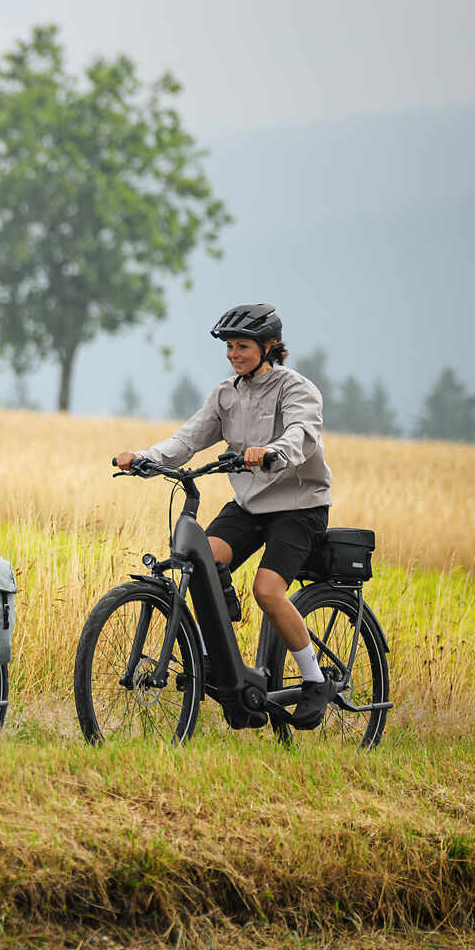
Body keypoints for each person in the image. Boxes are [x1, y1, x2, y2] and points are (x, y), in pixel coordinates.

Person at [111, 303, 340, 725]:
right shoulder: (225, 394)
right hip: (250, 505)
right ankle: (221, 661)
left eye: (244, 346)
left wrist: (272, 453)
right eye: (230, 347)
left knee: (268, 591)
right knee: (201, 563)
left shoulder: (297, 389)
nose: (235, 353)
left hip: (298, 506)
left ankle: (315, 680)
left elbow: (301, 435)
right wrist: (144, 457)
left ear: (270, 347)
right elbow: (188, 439)